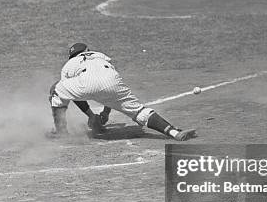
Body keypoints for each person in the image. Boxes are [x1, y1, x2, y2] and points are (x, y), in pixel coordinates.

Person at [48, 43, 197, 141]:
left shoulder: (69, 64)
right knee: (139, 111)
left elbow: (71, 94)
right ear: (87, 51)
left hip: (84, 82)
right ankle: (174, 133)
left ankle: (61, 132)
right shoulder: (100, 56)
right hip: (112, 80)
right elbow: (110, 90)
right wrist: (105, 113)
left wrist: (92, 117)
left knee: (56, 91)